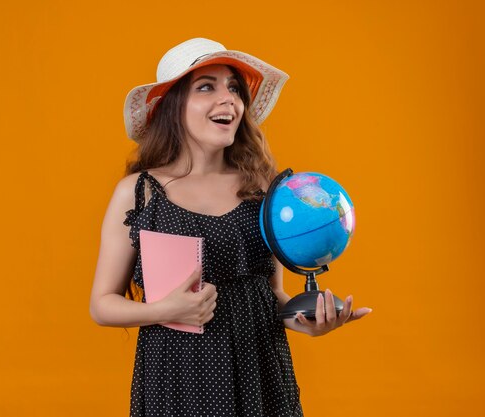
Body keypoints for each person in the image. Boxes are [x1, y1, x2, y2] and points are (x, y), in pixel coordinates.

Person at [89, 38, 371, 417]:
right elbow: (102, 305)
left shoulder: (261, 189)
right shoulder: (139, 192)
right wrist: (165, 309)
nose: (229, 99)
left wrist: (308, 321)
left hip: (260, 368)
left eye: (234, 88)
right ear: (174, 106)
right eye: (207, 86)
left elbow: (274, 298)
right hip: (178, 375)